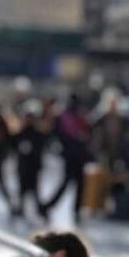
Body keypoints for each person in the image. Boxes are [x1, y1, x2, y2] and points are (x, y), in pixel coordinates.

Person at [42, 95, 93, 223]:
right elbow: (58, 135)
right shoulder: (64, 117)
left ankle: (73, 210)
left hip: (77, 154)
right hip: (71, 155)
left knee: (77, 183)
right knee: (68, 183)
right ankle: (49, 206)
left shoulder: (75, 117)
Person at [14, 102, 50, 218]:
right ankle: (21, 208)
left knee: (35, 189)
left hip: (34, 165)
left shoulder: (38, 133)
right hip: (23, 165)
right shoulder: (20, 132)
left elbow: (43, 144)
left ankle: (38, 209)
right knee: (22, 189)